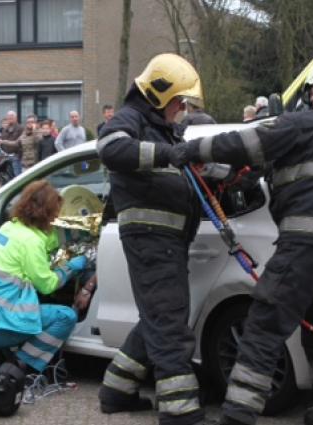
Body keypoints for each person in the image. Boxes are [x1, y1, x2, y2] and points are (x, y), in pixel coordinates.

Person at [175, 56, 313, 425]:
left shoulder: (303, 123)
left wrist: (193, 150)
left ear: (312, 92)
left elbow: (247, 142)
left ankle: (237, 417)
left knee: (262, 328)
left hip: (304, 246)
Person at [96, 53, 207, 425]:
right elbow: (110, 148)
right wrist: (167, 154)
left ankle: (116, 391)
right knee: (171, 327)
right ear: (160, 94)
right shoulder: (130, 118)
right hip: (151, 239)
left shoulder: (160, 126)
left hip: (166, 241)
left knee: (158, 320)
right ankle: (181, 414)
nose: (181, 109)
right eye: (179, 101)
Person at [0, 180, 87, 373]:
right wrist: (71, 267)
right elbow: (48, 285)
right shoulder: (31, 243)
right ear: (47, 214)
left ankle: (9, 354)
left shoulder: (9, 228)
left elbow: (43, 241)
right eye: (54, 214)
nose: (56, 218)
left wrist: (68, 236)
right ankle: (21, 364)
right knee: (66, 316)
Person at [0, 111, 25, 176]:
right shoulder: (5, 129)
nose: (10, 120)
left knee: (17, 176)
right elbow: (2, 140)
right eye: (8, 118)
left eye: (11, 118)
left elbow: (20, 143)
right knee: (7, 176)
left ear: (16, 118)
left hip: (16, 156)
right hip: (6, 156)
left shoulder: (20, 128)